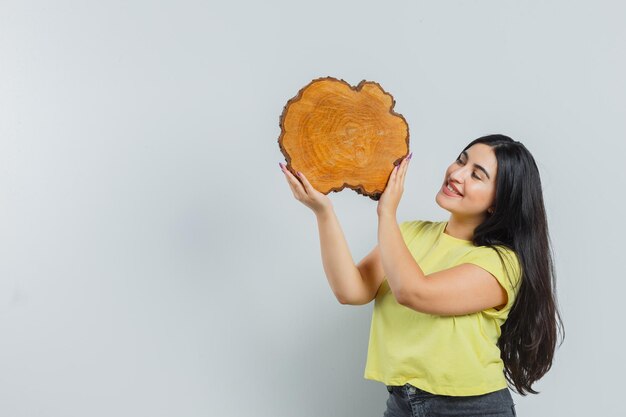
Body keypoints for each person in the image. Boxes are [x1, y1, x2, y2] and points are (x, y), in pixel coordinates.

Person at [279, 134, 564, 416]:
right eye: (460, 161)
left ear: (497, 202)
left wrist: (386, 213)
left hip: (471, 409)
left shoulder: (502, 263)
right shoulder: (410, 234)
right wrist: (323, 211)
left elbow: (413, 292)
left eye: (477, 175)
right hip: (402, 402)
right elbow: (352, 291)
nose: (457, 174)